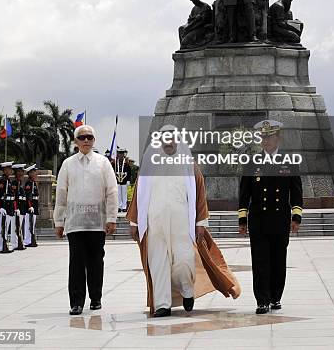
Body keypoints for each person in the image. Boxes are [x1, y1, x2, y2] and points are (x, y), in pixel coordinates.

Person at [127, 124, 240, 317]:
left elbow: (199, 195)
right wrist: (135, 222)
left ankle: (187, 291)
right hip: (155, 224)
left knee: (184, 262)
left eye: (172, 138)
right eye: (165, 138)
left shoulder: (188, 164)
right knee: (158, 263)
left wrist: (201, 223)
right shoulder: (149, 164)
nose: (168, 142)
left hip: (181, 225)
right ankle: (163, 304)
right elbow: (140, 194)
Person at [238, 119, 303, 314]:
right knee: (260, 261)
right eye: (263, 136)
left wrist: (296, 217)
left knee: (277, 259)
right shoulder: (252, 163)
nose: (265, 140)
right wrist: (243, 219)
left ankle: (276, 297)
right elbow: (244, 194)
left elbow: (297, 193)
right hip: (258, 220)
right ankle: (262, 300)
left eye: (269, 136)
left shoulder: (289, 162)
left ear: (278, 138)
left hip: (280, 219)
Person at [54, 124, 118, 316]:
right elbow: (61, 193)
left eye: (90, 137)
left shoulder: (103, 162)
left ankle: (96, 298)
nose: (86, 141)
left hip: (97, 222)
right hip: (75, 222)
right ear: (76, 141)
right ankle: (76, 302)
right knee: (76, 262)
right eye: (82, 138)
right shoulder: (68, 164)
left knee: (96, 261)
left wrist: (112, 218)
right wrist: (59, 221)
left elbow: (112, 191)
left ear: (94, 140)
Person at [0, 161, 15, 253]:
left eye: (11, 169)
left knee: (6, 227)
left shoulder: (7, 180)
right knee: (2, 227)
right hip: (4, 207)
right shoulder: (3, 181)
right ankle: (0, 247)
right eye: (8, 169)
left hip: (9, 206)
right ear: (4, 170)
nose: (10, 171)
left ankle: (4, 245)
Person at [24, 164, 39, 247]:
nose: (35, 174)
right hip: (30, 206)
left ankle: (31, 240)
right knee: (28, 225)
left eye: (35, 172)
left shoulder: (33, 182)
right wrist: (30, 206)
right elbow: (28, 196)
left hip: (34, 205)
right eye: (33, 172)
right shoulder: (29, 183)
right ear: (29, 174)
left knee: (32, 224)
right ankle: (27, 241)